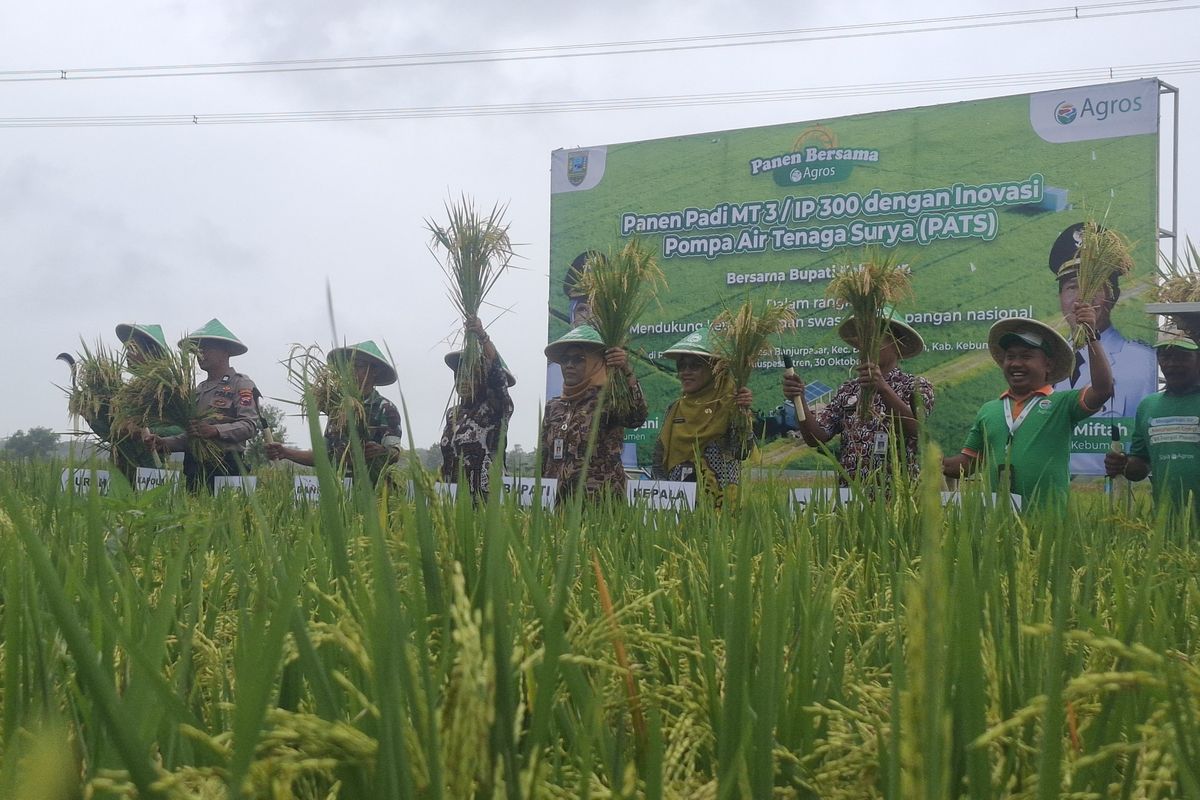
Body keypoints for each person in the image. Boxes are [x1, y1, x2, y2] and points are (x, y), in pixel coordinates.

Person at [942, 309, 1114, 511]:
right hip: (994, 522)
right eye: (1010, 357)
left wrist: (1092, 337)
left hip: (1048, 522)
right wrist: (938, 463)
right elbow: (969, 463)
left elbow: (1103, 389)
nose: (1016, 363)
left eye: (1026, 356)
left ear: (1047, 365)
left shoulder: (1062, 403)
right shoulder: (989, 410)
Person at [1048, 223, 1157, 474]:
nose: (1081, 299)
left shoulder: (1142, 362)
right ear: (1060, 298)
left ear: (1114, 296)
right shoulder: (1046, 360)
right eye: (1072, 287)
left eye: (1095, 287)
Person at [783, 306, 934, 486]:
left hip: (896, 496)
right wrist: (799, 398)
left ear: (897, 344)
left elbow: (917, 429)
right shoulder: (849, 390)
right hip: (851, 497)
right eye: (864, 338)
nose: (867, 345)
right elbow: (817, 437)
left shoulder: (916, 386)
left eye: (876, 337)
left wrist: (882, 388)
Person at [146, 319, 261, 492]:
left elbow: (249, 425)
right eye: (197, 350)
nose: (200, 354)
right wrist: (165, 444)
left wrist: (215, 431)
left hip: (226, 466)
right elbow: (190, 435)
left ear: (225, 351)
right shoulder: (197, 390)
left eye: (206, 348)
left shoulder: (241, 384)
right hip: (194, 467)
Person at [266, 340, 403, 482]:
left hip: (374, 489)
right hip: (340, 489)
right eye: (349, 365)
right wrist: (285, 452)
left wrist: (381, 452)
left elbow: (394, 452)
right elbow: (324, 456)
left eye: (359, 365)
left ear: (374, 371)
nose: (352, 370)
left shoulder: (385, 408)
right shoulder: (340, 410)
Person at [540, 324, 647, 503]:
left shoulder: (609, 399)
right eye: (565, 360)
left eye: (578, 359)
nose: (569, 365)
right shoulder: (554, 406)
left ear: (596, 363)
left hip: (599, 503)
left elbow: (636, 417)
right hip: (558, 503)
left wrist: (626, 370)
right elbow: (545, 456)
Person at [651, 326, 754, 506]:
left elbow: (742, 451)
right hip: (677, 505)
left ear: (714, 370)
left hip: (720, 508)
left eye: (695, 366)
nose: (685, 372)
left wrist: (743, 413)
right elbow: (659, 459)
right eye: (681, 366)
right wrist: (659, 496)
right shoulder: (675, 408)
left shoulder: (730, 407)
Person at [1104, 336, 1200, 519]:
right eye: (1165, 356)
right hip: (1167, 524)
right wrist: (1124, 465)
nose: (1172, 363)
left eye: (1182, 356)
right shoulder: (1149, 405)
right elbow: (1141, 465)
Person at [79, 322, 180, 483]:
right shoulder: (127, 393)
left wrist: (145, 430)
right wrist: (92, 418)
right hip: (122, 468)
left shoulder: (169, 388)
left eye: (133, 349)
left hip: (151, 470)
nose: (127, 354)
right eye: (127, 349)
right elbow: (112, 434)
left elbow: (181, 428)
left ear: (152, 352)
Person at [440, 316, 515, 501]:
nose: (464, 381)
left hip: (486, 499)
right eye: (460, 376)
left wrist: (482, 336)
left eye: (471, 375)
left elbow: (498, 378)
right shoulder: (453, 414)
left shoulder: (494, 409)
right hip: (456, 498)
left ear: (483, 379)